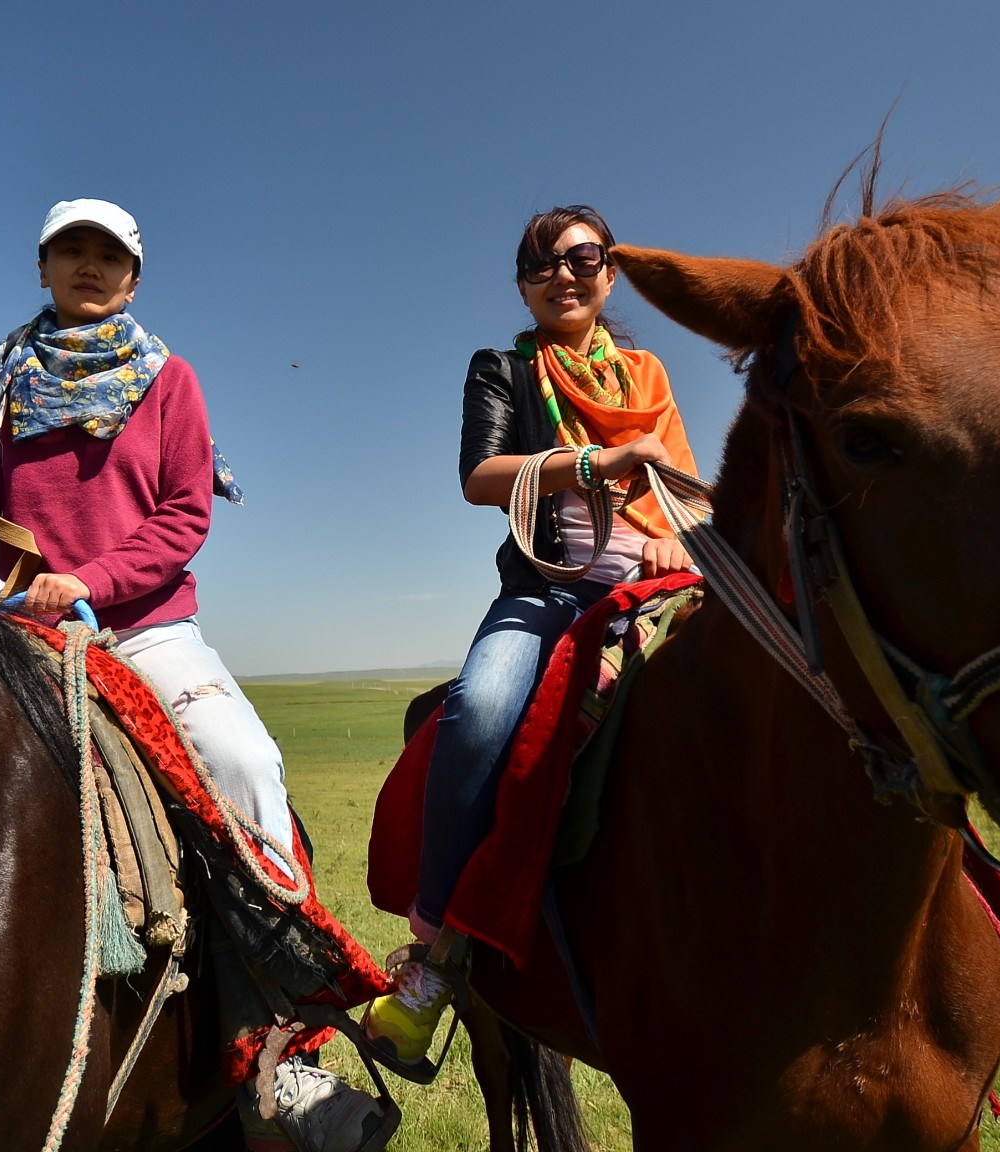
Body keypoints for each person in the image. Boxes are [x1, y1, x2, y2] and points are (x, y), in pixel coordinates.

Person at [0, 199, 387, 1152]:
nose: (89, 267)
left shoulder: (168, 380)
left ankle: (285, 1044)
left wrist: (85, 579)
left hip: (138, 628)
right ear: (42, 269)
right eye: (71, 252)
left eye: (109, 256)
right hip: (16, 628)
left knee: (245, 764)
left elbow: (184, 516)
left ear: (132, 279)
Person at [363, 205, 703, 1067]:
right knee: (479, 712)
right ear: (523, 284)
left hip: (656, 587)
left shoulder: (647, 373)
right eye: (544, 264)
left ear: (609, 274)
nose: (566, 274)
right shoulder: (506, 369)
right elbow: (481, 477)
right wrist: (595, 463)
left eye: (585, 258)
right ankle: (435, 956)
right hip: (550, 593)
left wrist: (673, 528)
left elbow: (687, 491)